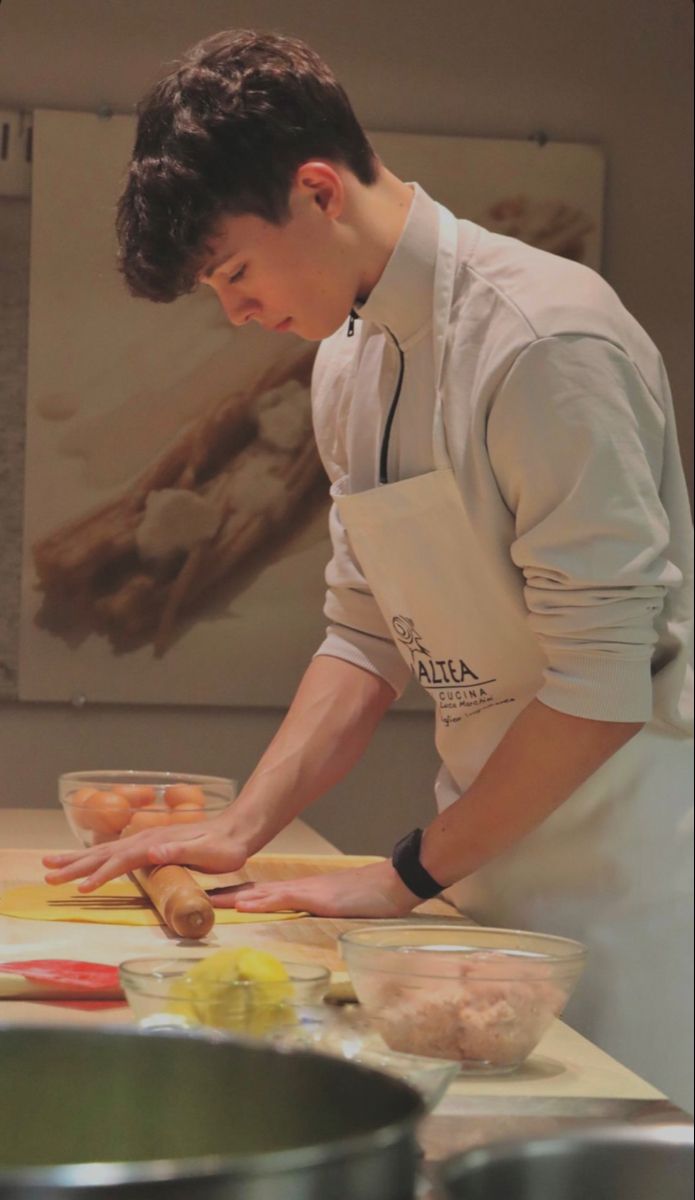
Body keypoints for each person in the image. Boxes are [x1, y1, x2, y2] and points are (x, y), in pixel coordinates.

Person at [43, 29, 693, 1108]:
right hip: (475, 883)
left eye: (236, 272)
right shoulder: (345, 364)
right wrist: (241, 823)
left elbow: (599, 684)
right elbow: (363, 632)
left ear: (315, 190)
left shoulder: (542, 341)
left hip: (628, 896)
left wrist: (401, 871)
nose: (237, 312)